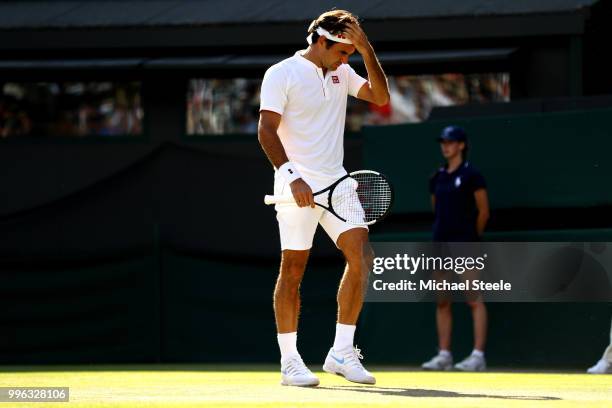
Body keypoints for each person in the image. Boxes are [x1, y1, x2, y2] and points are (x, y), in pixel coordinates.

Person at [258, 10, 389, 387]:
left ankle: (342, 352)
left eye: (350, 54)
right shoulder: (280, 73)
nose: (345, 59)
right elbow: (266, 130)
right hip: (295, 185)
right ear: (320, 41)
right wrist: (292, 176)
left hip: (338, 183)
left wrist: (365, 50)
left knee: (363, 257)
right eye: (342, 52)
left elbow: (380, 97)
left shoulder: (343, 71)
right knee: (293, 271)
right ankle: (290, 361)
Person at [422, 126, 490, 372]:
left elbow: (483, 211)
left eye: (450, 142)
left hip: (465, 243)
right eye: (443, 142)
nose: (445, 146)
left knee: (473, 299)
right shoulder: (437, 177)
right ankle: (444, 355)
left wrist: (471, 237)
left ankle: (478, 356)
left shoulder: (472, 175)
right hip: (441, 243)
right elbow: (436, 209)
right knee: (442, 301)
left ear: (461, 145)